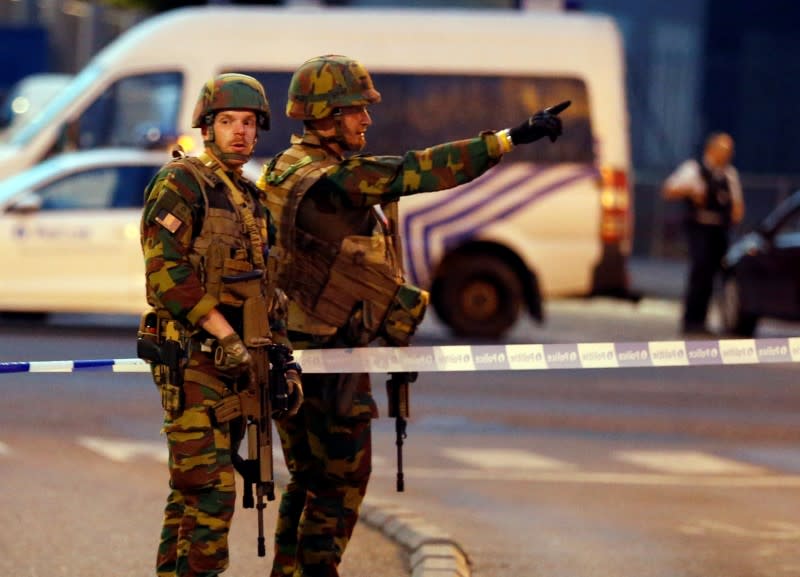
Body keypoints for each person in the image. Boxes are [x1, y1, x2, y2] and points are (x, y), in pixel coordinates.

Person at [257, 54, 567, 577]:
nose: (366, 120)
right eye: (357, 111)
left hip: (298, 354)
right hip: (328, 358)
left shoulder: (286, 168)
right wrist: (508, 139)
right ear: (327, 116)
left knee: (308, 481)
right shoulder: (334, 180)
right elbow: (419, 169)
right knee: (339, 483)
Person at [139, 73, 302, 577]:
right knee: (210, 491)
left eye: (249, 123)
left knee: (191, 493)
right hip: (193, 361)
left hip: (240, 368)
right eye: (228, 121)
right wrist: (223, 333)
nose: (240, 132)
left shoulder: (250, 201)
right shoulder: (181, 183)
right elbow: (165, 272)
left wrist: (284, 362)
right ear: (207, 128)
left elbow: (266, 294)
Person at [662, 131, 745, 336]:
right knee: (700, 272)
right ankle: (692, 319)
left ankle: (710, 319)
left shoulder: (729, 174)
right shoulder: (694, 170)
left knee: (719, 274)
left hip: (720, 229)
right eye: (724, 149)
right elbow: (669, 190)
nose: (727, 154)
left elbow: (737, 205)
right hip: (699, 227)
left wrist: (734, 214)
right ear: (712, 149)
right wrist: (691, 192)